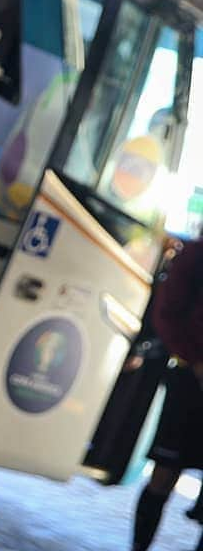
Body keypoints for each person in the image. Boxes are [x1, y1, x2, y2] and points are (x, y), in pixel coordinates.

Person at [132, 235, 203, 551]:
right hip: (190, 379)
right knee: (165, 473)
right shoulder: (197, 255)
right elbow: (167, 313)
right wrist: (194, 359)